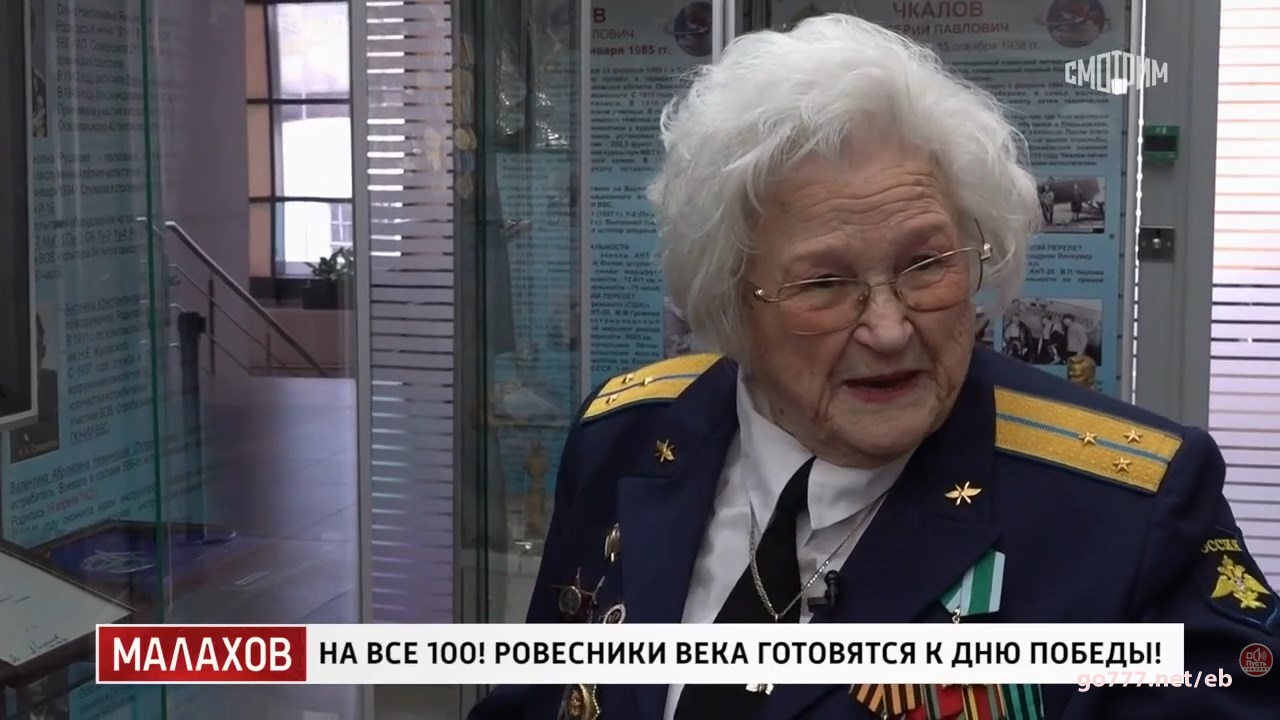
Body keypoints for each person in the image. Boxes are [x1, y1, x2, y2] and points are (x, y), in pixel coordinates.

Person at [468, 14, 1278, 720]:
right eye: (824, 283)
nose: (890, 329)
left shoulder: (1130, 510)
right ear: (730, 296)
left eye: (927, 265)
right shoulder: (628, 433)